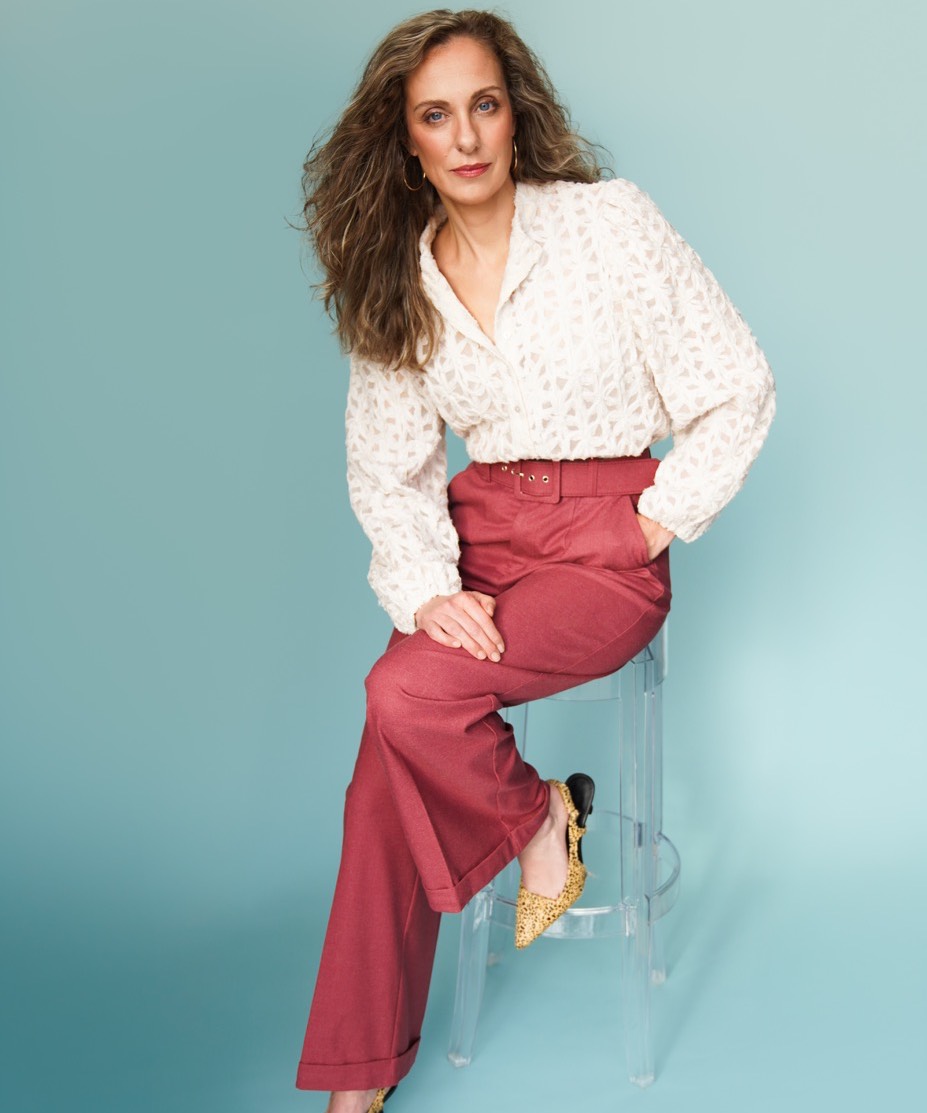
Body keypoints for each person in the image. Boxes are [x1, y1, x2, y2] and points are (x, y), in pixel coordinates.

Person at [294, 9, 775, 1112]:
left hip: (602, 544)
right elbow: (389, 467)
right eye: (435, 116)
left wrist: (655, 518)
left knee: (400, 698)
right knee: (386, 764)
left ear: (517, 113)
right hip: (480, 540)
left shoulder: (610, 223)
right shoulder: (399, 277)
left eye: (483, 105)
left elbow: (737, 383)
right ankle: (359, 1079)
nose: (465, 137)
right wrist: (427, 585)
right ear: (404, 138)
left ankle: (537, 822)